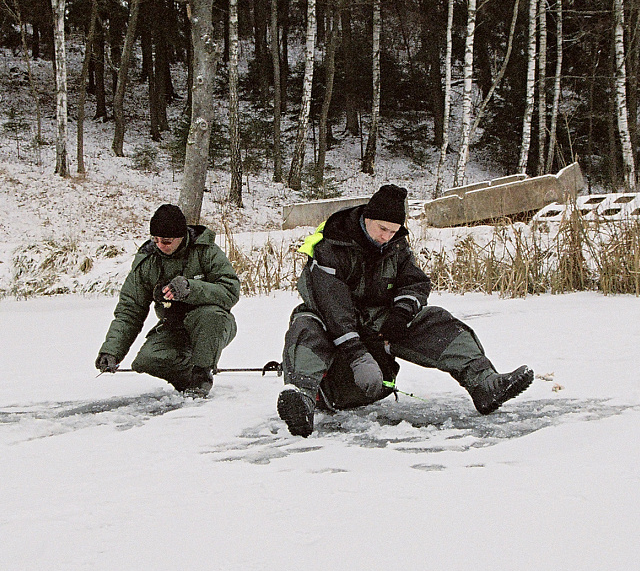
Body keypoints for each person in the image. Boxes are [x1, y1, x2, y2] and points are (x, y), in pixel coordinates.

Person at [276, 183, 533, 437]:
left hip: (377, 317)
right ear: (367, 218)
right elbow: (331, 304)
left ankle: (484, 382)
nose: (386, 236)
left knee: (435, 319)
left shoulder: (396, 246)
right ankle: (302, 398)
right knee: (305, 326)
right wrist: (356, 352)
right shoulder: (331, 245)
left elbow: (414, 282)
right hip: (332, 321)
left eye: (394, 230)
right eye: (382, 229)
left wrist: (401, 313)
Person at [95, 203, 240, 397]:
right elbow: (130, 310)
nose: (160, 246)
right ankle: (188, 378)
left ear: (181, 237)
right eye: (155, 240)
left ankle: (201, 376)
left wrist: (191, 289)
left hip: (214, 324)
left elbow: (230, 291)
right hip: (174, 326)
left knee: (209, 315)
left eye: (166, 241)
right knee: (146, 360)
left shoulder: (206, 251)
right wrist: (111, 351)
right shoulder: (148, 262)